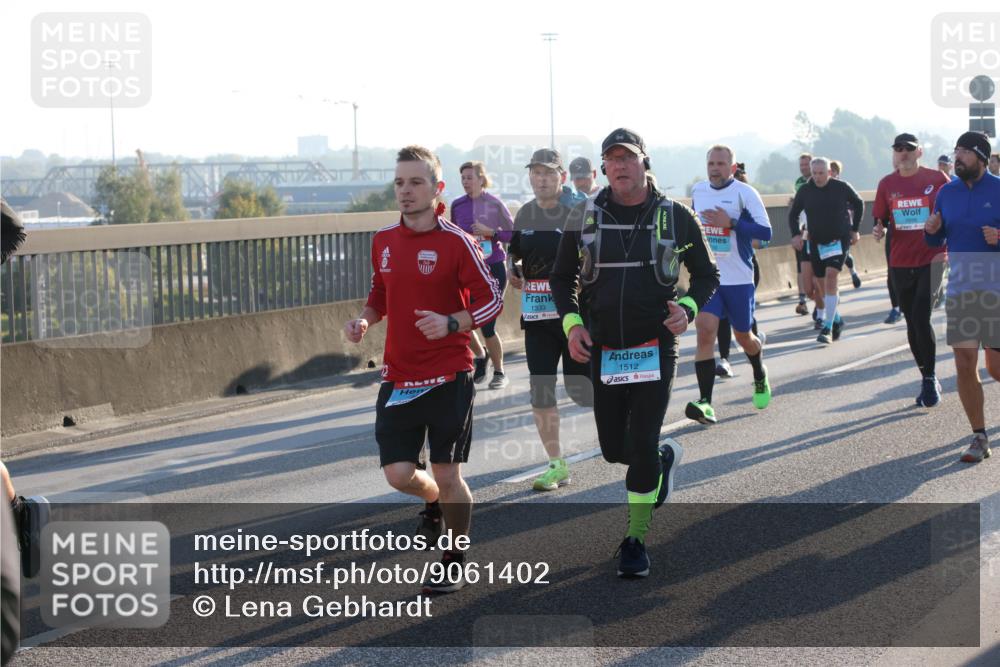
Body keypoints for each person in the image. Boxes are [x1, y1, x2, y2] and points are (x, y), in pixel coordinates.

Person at [550, 128, 719, 577]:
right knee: (613, 450)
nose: (620, 166)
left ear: (645, 162)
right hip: (603, 346)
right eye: (612, 159)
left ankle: (635, 539)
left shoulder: (675, 216)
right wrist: (572, 324)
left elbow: (707, 275)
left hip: (654, 346)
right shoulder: (583, 216)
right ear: (604, 167)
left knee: (641, 441)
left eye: (628, 157)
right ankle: (659, 462)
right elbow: (561, 278)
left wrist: (688, 307)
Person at [344, 145, 503, 592]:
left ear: (437, 189)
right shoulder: (383, 240)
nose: (406, 190)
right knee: (398, 474)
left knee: (448, 473)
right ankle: (432, 499)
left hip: (450, 373)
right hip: (399, 376)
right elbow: (380, 294)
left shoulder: (457, 242)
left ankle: (454, 557)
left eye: (416, 182)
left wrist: (453, 322)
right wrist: (365, 320)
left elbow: (492, 299)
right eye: (399, 182)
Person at [507, 148, 594, 491]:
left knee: (583, 391)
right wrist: (513, 269)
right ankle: (556, 465)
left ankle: (631, 426)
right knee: (540, 390)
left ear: (561, 177)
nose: (541, 179)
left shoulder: (576, 212)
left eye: (547, 173)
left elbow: (596, 256)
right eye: (535, 173)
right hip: (537, 318)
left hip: (573, 317)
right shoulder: (526, 213)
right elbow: (515, 251)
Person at [924, 131, 1000, 463]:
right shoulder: (946, 193)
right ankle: (979, 436)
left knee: (996, 369)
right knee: (964, 363)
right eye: (956, 151)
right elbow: (937, 239)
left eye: (965, 152)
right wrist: (931, 231)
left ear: (981, 157)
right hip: (962, 289)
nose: (958, 158)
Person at [686, 146, 772, 424]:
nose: (715, 168)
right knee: (705, 332)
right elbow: (694, 227)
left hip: (739, 279)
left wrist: (732, 223)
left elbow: (766, 232)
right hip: (709, 278)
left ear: (733, 168)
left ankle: (759, 373)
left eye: (721, 164)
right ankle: (705, 402)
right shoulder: (699, 191)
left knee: (744, 337)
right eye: (711, 163)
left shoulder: (746, 194)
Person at [872, 133, 951, 407]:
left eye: (909, 148)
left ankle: (929, 379)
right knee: (911, 321)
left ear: (919, 152)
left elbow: (952, 210)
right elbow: (881, 219)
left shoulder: (937, 179)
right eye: (899, 148)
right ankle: (926, 375)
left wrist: (940, 223)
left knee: (920, 315)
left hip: (933, 257)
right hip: (900, 261)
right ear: (894, 153)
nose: (903, 152)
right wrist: (879, 229)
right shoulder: (887, 184)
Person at [450, 161, 514, 389]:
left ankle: (499, 372)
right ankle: (480, 355)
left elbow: (512, 234)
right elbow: (452, 236)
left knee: (487, 325)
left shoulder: (494, 203)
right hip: (468, 270)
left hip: (493, 268)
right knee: (461, 321)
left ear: (481, 178)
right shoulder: (457, 205)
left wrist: (491, 233)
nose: (465, 182)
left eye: (470, 177)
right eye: (463, 178)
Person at [789, 157, 864, 344]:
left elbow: (859, 203)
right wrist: (795, 235)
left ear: (829, 172)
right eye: (814, 173)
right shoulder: (806, 190)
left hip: (839, 240)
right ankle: (836, 318)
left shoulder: (841, 187)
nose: (817, 177)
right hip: (816, 242)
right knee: (820, 286)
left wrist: (854, 229)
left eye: (821, 173)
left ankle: (827, 327)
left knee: (831, 277)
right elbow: (793, 213)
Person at [830, 160, 863, 289]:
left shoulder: (844, 188)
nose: (831, 173)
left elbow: (857, 205)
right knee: (833, 255)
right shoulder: (821, 189)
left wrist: (854, 229)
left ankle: (852, 273)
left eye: (833, 171)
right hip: (828, 229)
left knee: (842, 254)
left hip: (845, 228)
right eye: (829, 171)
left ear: (837, 173)